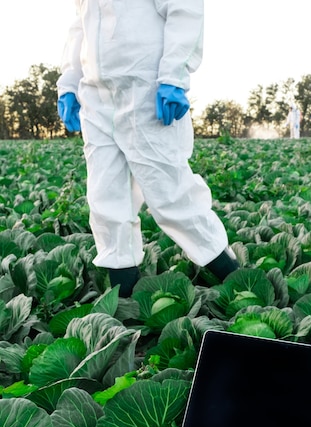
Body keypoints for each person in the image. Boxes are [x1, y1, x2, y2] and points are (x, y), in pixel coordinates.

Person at [56, 0, 239, 297]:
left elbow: (184, 9)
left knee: (170, 194)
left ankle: (236, 279)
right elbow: (80, 24)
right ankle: (125, 297)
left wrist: (174, 76)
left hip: (147, 90)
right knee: (105, 197)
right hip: (96, 97)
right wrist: (68, 82)